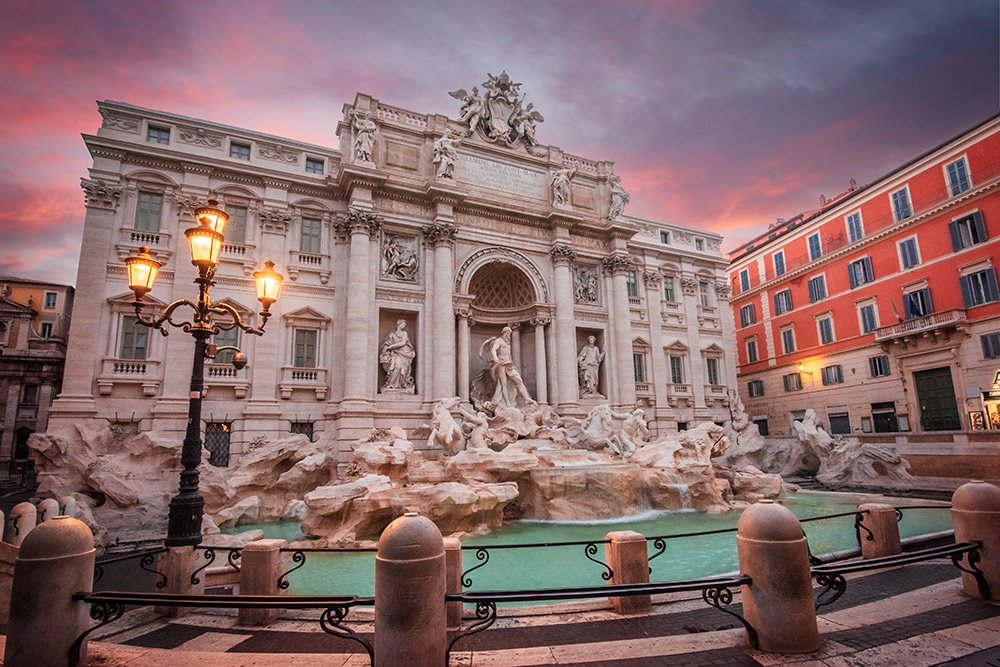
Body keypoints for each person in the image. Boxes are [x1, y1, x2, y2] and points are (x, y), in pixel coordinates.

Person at [489, 327, 534, 406]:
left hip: (509, 364)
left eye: (509, 334)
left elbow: (509, 356)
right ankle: (507, 403)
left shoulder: (508, 344)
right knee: (503, 384)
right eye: (506, 333)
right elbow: (493, 349)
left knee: (519, 380)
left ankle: (526, 398)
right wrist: (495, 357)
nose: (507, 335)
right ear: (503, 333)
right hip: (501, 364)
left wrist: (513, 365)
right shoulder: (499, 341)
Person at [379, 320, 415, 390]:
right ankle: (391, 384)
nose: (403, 326)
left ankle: (398, 384)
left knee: (400, 367)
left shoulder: (404, 333)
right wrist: (385, 351)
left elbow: (403, 342)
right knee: (397, 366)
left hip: (404, 353)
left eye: (404, 325)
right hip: (395, 354)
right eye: (402, 324)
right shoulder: (392, 334)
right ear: (398, 324)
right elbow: (387, 343)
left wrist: (392, 346)